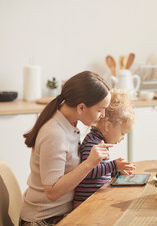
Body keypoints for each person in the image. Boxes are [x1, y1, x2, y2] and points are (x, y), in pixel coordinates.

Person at [20, 71, 113, 225]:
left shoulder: (70, 123)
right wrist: (89, 163)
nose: (103, 115)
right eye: (99, 110)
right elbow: (52, 192)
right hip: (44, 220)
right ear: (81, 108)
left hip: (61, 214)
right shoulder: (54, 134)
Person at [73, 89, 136, 208]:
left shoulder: (98, 141)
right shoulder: (92, 144)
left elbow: (100, 173)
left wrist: (117, 172)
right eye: (122, 133)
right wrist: (113, 166)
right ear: (108, 126)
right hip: (84, 204)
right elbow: (89, 171)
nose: (123, 138)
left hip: (94, 201)